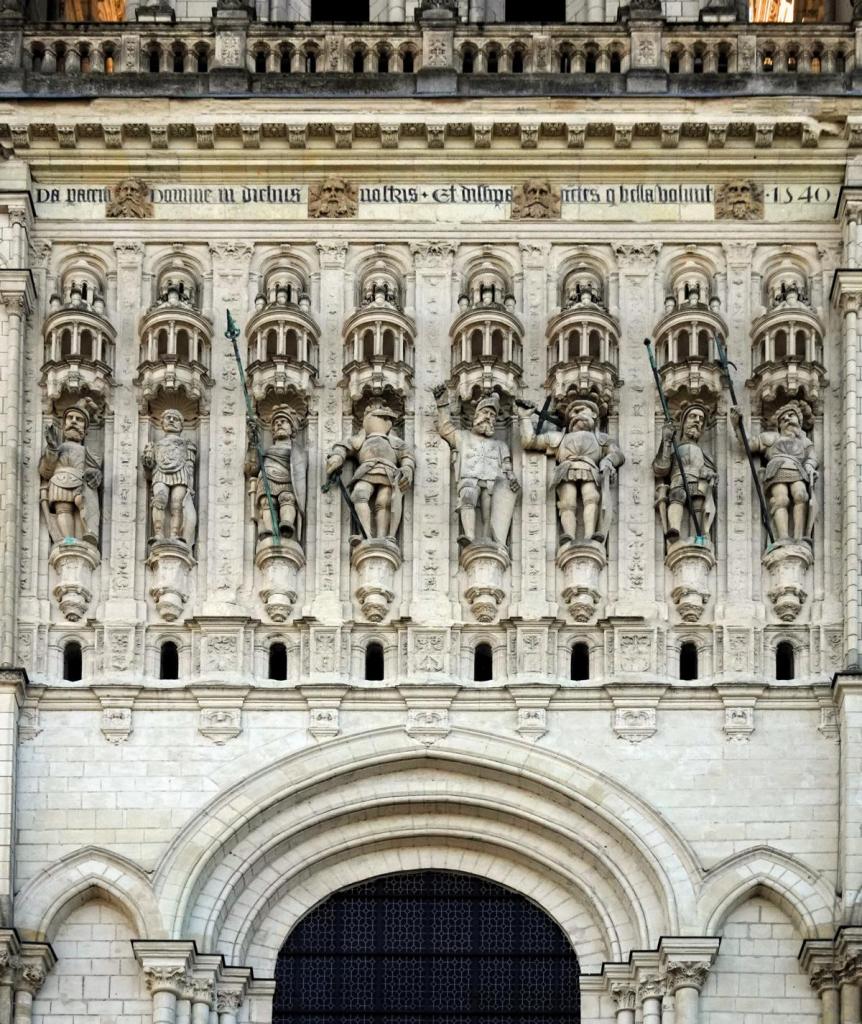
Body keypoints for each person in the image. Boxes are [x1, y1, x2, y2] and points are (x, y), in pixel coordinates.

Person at [517, 396, 624, 545]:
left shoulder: (602, 439)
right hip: (566, 469)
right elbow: (529, 441)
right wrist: (525, 418)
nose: (577, 414)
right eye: (574, 412)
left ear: (594, 415)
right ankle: (568, 535)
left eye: (582, 410)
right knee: (567, 502)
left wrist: (608, 461)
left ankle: (590, 535)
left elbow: (617, 454)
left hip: (590, 468)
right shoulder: (559, 438)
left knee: (591, 497)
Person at [433, 386, 519, 548]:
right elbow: (445, 428)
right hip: (469, 478)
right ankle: (470, 536)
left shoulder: (500, 445)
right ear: (476, 415)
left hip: (492, 480)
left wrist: (512, 478)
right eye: (485, 413)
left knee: (489, 511)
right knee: (467, 498)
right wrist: (442, 404)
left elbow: (507, 467)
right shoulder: (462, 437)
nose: (488, 417)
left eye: (492, 415)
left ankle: (487, 539)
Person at [325, 399, 415, 542]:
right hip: (366, 470)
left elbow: (407, 457)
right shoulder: (360, 439)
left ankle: (382, 537)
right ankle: (366, 534)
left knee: (383, 502)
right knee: (359, 494)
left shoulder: (395, 441)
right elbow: (342, 447)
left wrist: (407, 468)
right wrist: (337, 458)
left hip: (389, 472)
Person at [730, 400, 817, 542]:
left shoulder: (805, 442)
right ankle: (783, 537)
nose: (787, 419)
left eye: (791, 415)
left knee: (801, 495)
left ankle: (799, 538)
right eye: (783, 419)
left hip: (797, 469)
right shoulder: (772, 438)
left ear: (799, 420)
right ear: (779, 425)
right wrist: (738, 425)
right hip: (777, 469)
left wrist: (810, 467)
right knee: (781, 499)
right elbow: (749, 444)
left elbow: (812, 458)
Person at [39, 400, 102, 545]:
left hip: (80, 483)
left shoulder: (87, 451)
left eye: (79, 420)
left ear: (85, 430)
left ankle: (81, 540)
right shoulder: (58, 447)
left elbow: (95, 469)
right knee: (63, 510)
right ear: (63, 425)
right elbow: (45, 471)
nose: (74, 421)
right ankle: (68, 539)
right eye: (70, 418)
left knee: (82, 510)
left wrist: (95, 474)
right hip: (59, 482)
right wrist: (52, 449)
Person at [653, 404, 716, 543]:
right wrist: (666, 440)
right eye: (693, 416)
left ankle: (697, 537)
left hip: (697, 482)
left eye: (701, 419)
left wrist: (709, 473)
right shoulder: (674, 448)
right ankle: (674, 529)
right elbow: (660, 469)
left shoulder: (705, 453)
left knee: (698, 502)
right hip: (678, 479)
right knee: (677, 496)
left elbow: (709, 469)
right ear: (683, 423)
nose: (697, 421)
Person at [245, 404, 306, 544]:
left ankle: (287, 524)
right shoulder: (267, 451)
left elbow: (299, 468)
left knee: (287, 498)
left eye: (283, 421)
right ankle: (269, 529)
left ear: (292, 428)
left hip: (286, 479)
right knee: (267, 502)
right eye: (276, 423)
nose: (279, 424)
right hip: (267, 479)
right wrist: (253, 444)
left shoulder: (297, 451)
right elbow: (251, 469)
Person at [142, 408, 197, 546]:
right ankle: (158, 534)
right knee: (159, 500)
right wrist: (147, 459)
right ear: (162, 423)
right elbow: (148, 470)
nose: (171, 420)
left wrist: (190, 487)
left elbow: (190, 467)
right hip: (160, 473)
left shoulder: (187, 445)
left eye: (175, 418)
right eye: (168, 418)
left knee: (177, 503)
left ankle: (174, 535)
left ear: (181, 425)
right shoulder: (154, 445)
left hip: (181, 474)